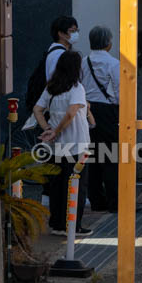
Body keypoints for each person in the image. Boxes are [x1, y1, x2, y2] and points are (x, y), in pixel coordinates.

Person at [34, 50, 94, 237]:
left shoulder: (51, 88)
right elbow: (71, 113)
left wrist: (48, 130)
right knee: (77, 185)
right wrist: (56, 131)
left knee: (57, 185)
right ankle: (73, 225)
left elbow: (37, 110)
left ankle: (57, 224)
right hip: (77, 145)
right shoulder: (76, 88)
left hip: (56, 147)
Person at [81, 25, 119, 212]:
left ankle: (96, 200)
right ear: (108, 44)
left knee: (92, 156)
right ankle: (115, 201)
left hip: (87, 109)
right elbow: (119, 92)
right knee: (111, 156)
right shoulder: (114, 64)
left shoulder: (83, 61)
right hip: (107, 111)